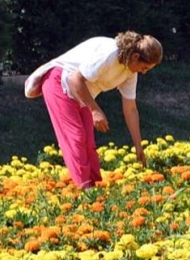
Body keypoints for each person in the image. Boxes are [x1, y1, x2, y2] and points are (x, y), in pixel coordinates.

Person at [24, 32, 162, 188]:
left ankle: (96, 189)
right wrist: (95, 110)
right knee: (76, 138)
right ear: (136, 56)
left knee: (88, 142)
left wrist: (138, 147)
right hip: (59, 82)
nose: (143, 72)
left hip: (81, 94)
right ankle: (85, 190)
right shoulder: (110, 54)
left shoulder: (130, 71)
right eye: (144, 68)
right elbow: (75, 79)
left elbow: (130, 109)